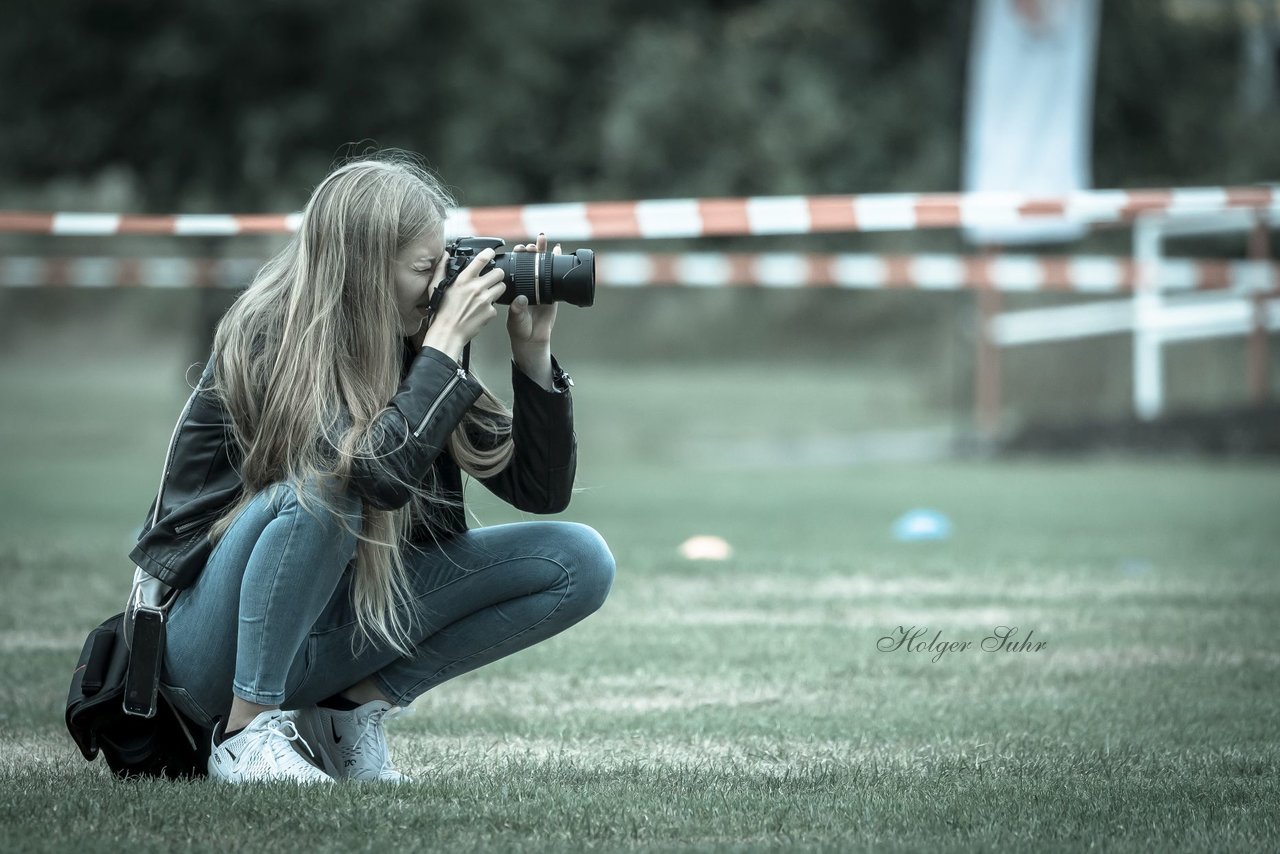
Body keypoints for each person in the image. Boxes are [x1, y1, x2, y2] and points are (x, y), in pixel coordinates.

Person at [126, 152, 615, 784]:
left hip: (323, 642)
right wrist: (440, 350)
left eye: (445, 260)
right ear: (362, 269)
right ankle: (245, 734)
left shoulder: (411, 343)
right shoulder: (269, 338)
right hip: (204, 653)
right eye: (424, 268)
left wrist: (532, 351)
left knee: (576, 559)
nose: (443, 284)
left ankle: (345, 713)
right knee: (327, 488)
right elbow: (370, 476)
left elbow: (540, 490)